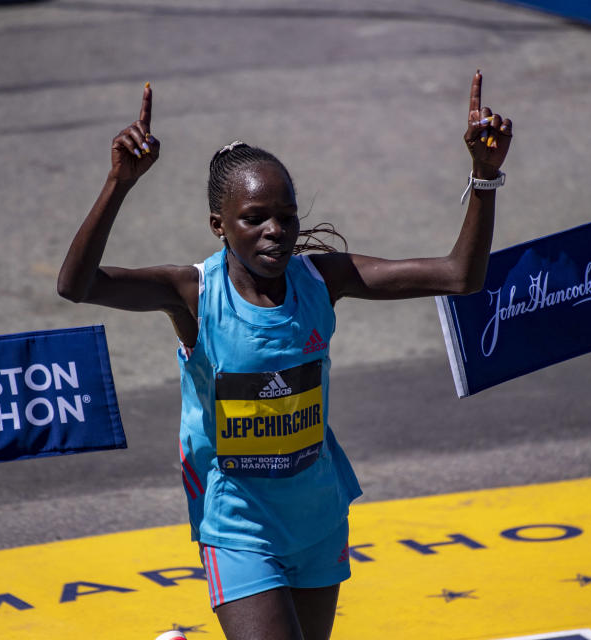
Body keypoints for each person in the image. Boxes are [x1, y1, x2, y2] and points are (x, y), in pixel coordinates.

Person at [58, 72, 512, 640]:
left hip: (317, 513)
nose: (276, 231)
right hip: (239, 522)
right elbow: (76, 285)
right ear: (219, 226)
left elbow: (460, 276)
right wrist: (119, 183)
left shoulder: (322, 278)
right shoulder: (193, 295)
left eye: (287, 216)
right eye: (254, 219)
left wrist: (485, 177)